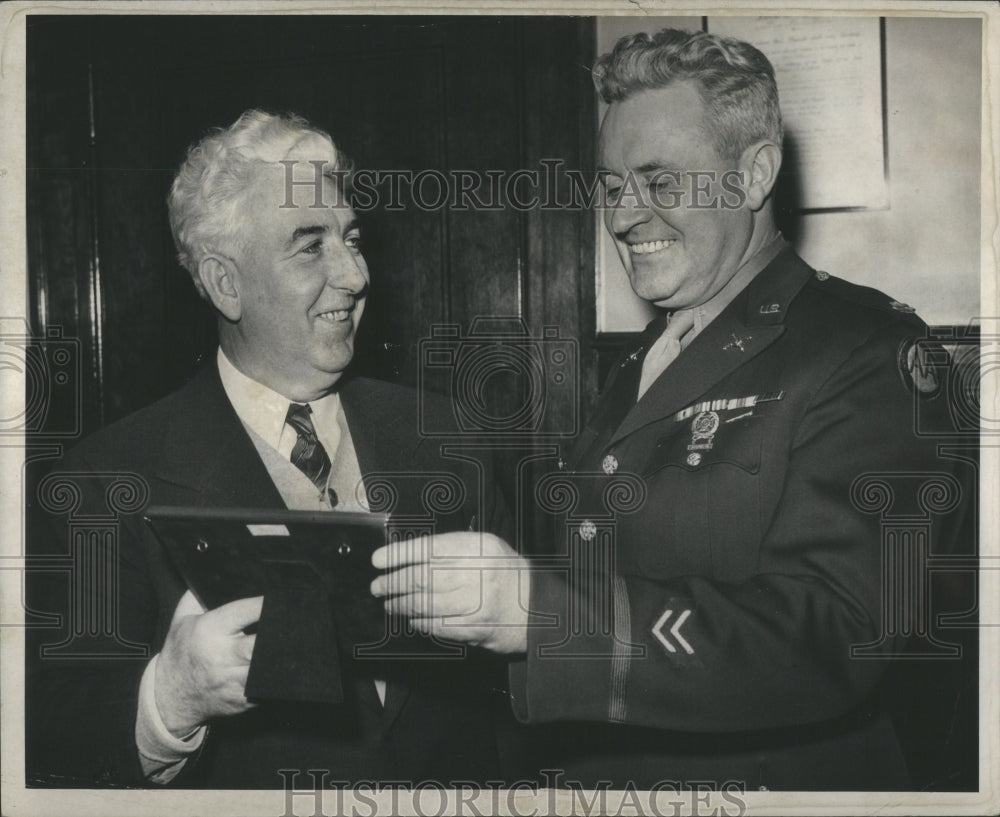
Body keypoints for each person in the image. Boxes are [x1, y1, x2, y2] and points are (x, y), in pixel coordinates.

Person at [372, 28, 958, 790]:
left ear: (753, 175)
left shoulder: (867, 353)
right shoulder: (647, 357)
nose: (622, 217)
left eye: (659, 182)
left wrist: (542, 611)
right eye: (613, 186)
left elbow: (833, 635)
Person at [26, 110, 519, 788]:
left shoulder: (448, 437)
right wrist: (168, 701)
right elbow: (52, 741)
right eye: (310, 246)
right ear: (225, 282)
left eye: (351, 237)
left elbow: (513, 699)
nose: (354, 275)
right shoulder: (103, 482)